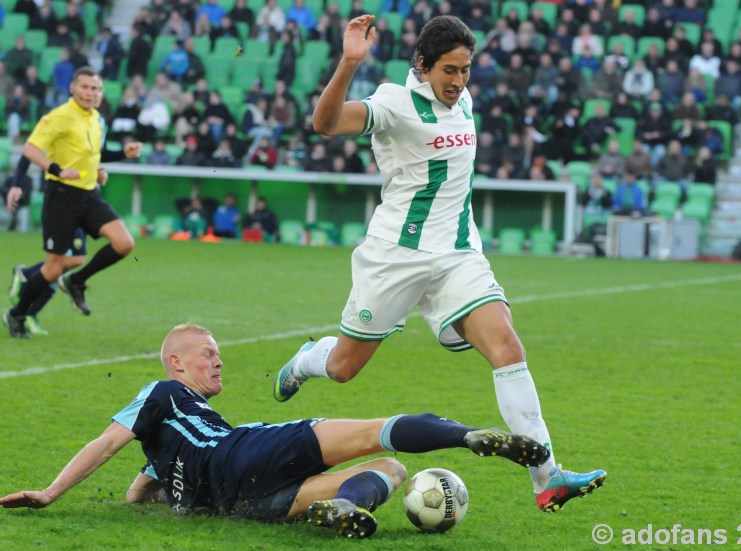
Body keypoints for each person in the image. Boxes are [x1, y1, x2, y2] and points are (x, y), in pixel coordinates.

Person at [272, 14, 606, 514]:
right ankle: (305, 360)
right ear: (422, 66)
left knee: (507, 346)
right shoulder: (392, 102)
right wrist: (349, 62)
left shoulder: (462, 100)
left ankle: (547, 476)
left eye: (466, 70)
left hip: (457, 255)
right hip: (395, 257)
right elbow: (324, 124)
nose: (458, 81)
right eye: (449, 70)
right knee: (343, 369)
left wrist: (460, 85)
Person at [0, 324, 549, 539]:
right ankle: (468, 435)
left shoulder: (173, 439)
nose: (218, 364)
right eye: (208, 355)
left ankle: (344, 508)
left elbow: (138, 491)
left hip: (243, 501)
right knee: (379, 437)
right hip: (248, 450)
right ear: (176, 363)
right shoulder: (161, 393)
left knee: (391, 470)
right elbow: (104, 443)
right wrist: (51, 491)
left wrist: (154, 489)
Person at [3, 67, 140, 339]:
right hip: (62, 197)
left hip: (89, 195)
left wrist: (121, 155)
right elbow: (30, 149)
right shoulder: (59, 117)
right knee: (52, 267)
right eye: (86, 87)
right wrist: (56, 169)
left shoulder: (97, 119)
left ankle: (76, 281)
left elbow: (94, 153)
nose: (91, 93)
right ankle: (17, 313)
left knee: (124, 243)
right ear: (73, 89)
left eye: (96, 89)